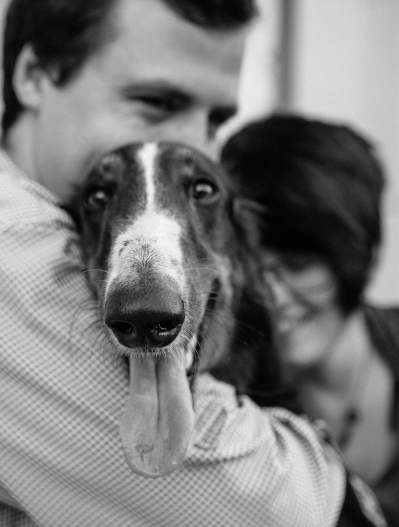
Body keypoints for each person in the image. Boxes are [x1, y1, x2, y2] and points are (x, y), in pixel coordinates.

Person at [0, 1, 386, 525]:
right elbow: (268, 509)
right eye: (156, 102)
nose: (191, 142)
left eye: (216, 119)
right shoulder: (14, 246)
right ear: (35, 74)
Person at [221, 114, 399, 525]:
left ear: (356, 254)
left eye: (297, 265)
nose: (272, 295)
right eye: (252, 268)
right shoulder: (229, 403)